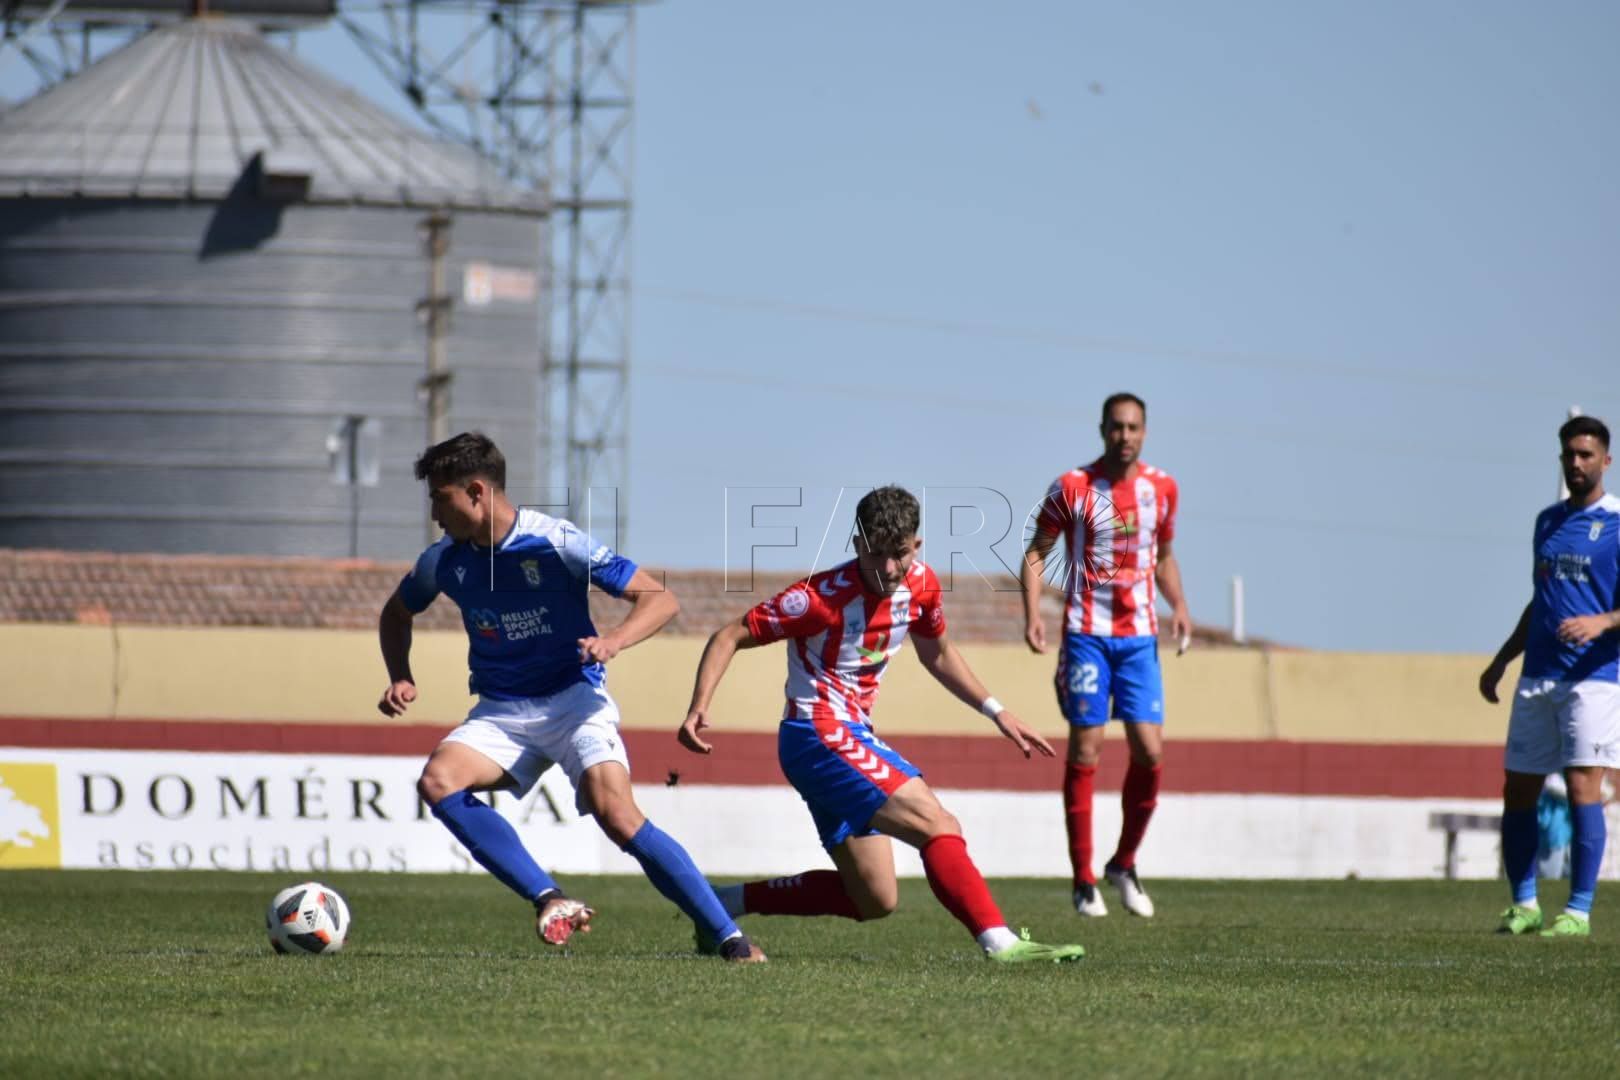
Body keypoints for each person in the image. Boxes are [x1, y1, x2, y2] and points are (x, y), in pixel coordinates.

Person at [378, 432, 764, 962]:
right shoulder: (442, 561)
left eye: (440, 499)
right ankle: (550, 898)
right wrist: (400, 674)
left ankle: (729, 938)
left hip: (574, 701)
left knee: (617, 814)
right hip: (502, 712)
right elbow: (396, 613)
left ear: (476, 492)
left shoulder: (555, 541)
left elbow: (660, 599)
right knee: (438, 781)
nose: (434, 515)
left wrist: (615, 641)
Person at [678, 485, 1086, 964]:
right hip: (818, 734)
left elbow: (937, 654)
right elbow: (730, 634)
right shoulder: (818, 598)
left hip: (845, 737)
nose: (888, 568)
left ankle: (720, 906)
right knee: (936, 822)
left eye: (899, 554)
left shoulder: (922, 586)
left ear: (916, 546)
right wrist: (699, 706)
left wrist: (997, 710)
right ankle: (1001, 943)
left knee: (874, 897)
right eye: (875, 554)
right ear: (857, 545)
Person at [1020, 392, 1190, 918]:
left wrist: (1180, 605)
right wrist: (1032, 614)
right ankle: (1083, 879)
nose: (1125, 436)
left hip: (1139, 638)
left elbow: (1163, 558)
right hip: (1086, 634)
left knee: (1150, 751)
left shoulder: (1162, 488)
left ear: (1145, 432)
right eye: (1117, 427)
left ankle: (1124, 862)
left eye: (1133, 427)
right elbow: (1036, 552)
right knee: (1087, 747)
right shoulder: (1073, 486)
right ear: (1102, 430)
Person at [1479, 414, 1620, 938]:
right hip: (1537, 675)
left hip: (1593, 678)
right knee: (1518, 787)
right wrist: (1502, 659)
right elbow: (1540, 600)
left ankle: (1578, 912)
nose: (1576, 463)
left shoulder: (1617, 523)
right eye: (1569, 455)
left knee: (1583, 786)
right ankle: (1525, 905)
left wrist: (1603, 621)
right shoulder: (1547, 522)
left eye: (1586, 455)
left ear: (1606, 460)